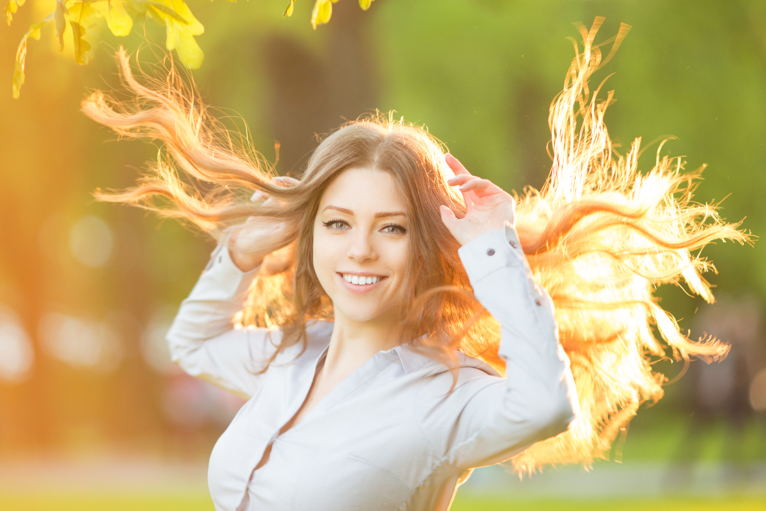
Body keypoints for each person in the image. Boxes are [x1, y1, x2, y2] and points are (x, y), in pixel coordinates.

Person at [80, 17, 749, 511]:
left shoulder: (446, 393)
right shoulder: (291, 353)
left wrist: (493, 245)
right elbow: (190, 342)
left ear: (428, 245)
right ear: (312, 237)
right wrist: (243, 251)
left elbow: (547, 405)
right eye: (338, 224)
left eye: (391, 227)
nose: (360, 249)